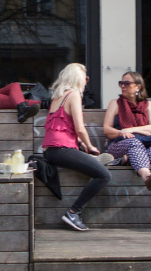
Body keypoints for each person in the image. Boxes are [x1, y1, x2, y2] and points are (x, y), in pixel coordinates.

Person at [41, 63, 111, 232]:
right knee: (103, 175)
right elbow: (80, 128)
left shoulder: (58, 96)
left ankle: (91, 159)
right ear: (78, 79)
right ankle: (74, 212)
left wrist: (80, 144)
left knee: (95, 166)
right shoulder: (73, 95)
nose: (86, 82)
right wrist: (90, 145)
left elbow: (64, 127)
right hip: (61, 150)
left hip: (52, 150)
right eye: (85, 78)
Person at [101, 71, 151, 191]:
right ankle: (146, 176)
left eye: (127, 83)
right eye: (121, 83)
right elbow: (107, 129)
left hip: (145, 144)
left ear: (138, 86)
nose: (123, 86)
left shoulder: (149, 105)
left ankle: (129, 160)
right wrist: (121, 133)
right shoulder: (115, 104)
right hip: (120, 145)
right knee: (134, 142)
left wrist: (129, 130)